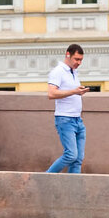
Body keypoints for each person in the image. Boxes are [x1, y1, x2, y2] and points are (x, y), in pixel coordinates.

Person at [46, 44, 89, 174]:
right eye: (76, 59)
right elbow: (51, 94)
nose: (79, 63)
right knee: (71, 155)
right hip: (65, 119)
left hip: (77, 120)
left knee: (78, 159)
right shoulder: (58, 71)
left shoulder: (73, 72)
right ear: (67, 55)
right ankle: (44, 178)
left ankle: (74, 190)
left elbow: (71, 93)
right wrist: (74, 91)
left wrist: (77, 91)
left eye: (81, 60)